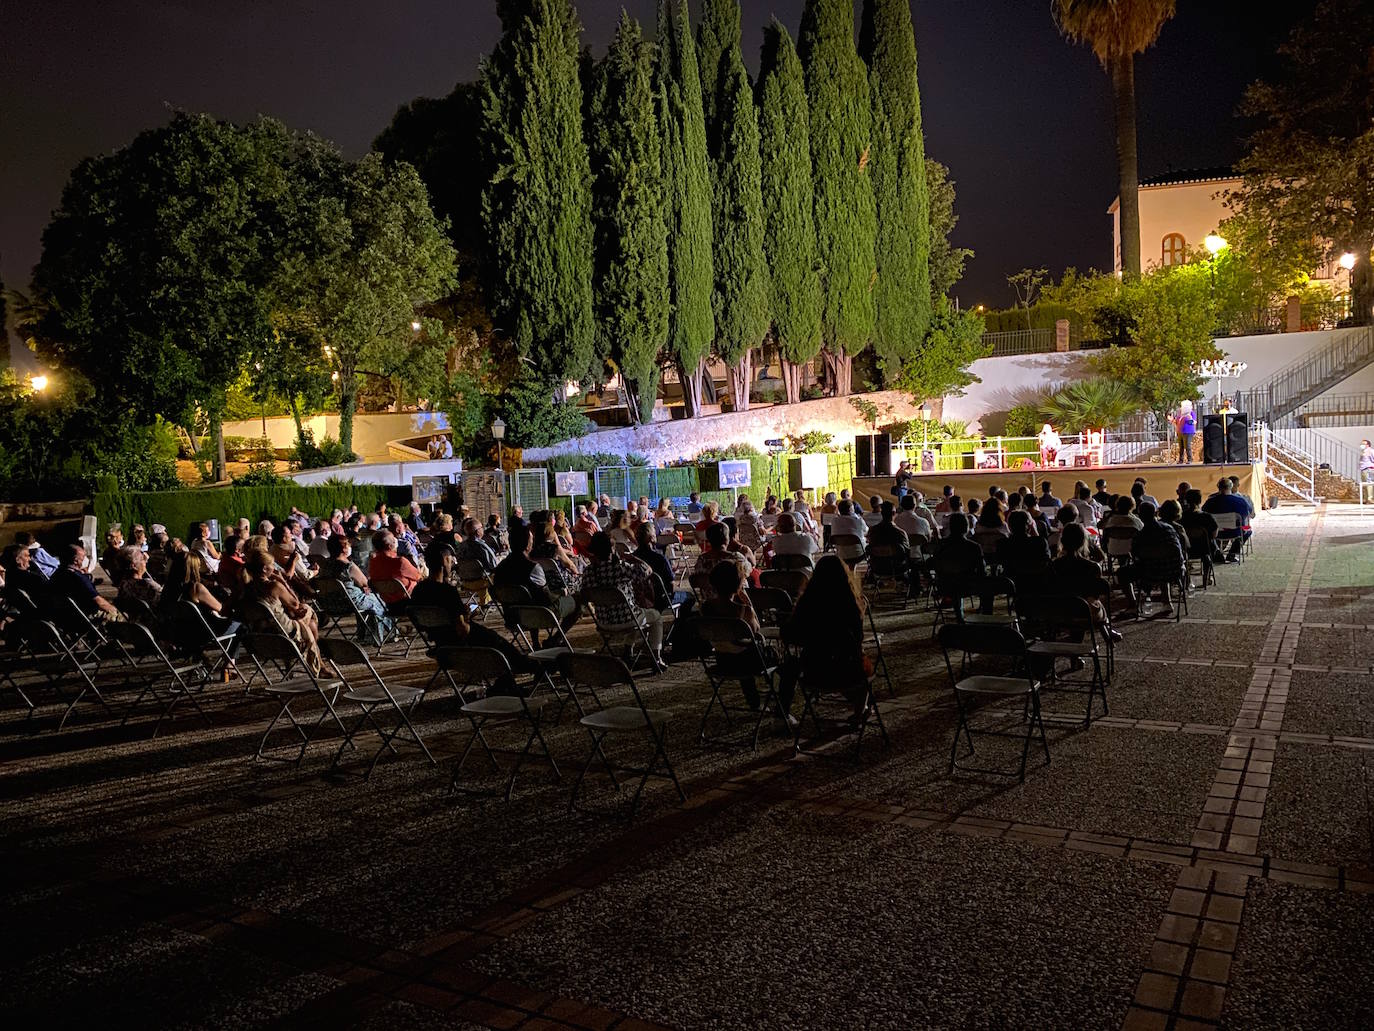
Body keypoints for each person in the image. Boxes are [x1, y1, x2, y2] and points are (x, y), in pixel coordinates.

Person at [777, 555, 872, 722]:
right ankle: (860, 711)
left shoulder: (807, 604)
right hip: (846, 671)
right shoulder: (851, 605)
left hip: (813, 670)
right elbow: (858, 639)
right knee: (864, 663)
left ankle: (783, 711)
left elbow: (789, 634)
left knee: (790, 663)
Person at [700, 558, 792, 722]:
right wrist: (747, 602)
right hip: (748, 663)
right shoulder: (744, 610)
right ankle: (781, 706)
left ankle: (754, 701)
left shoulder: (706, 607)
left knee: (741, 647)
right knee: (785, 660)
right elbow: (756, 631)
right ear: (738, 583)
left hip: (723, 660)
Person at [579, 531, 666, 670]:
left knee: (633, 611)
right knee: (655, 617)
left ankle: (628, 651)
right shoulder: (620, 567)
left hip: (604, 622)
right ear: (612, 549)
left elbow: (584, 593)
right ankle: (656, 657)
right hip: (627, 619)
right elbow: (647, 571)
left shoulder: (589, 571)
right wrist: (634, 559)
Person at [243, 548, 321, 671]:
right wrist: (282, 581)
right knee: (307, 612)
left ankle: (305, 663)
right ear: (264, 568)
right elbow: (296, 604)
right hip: (284, 638)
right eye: (272, 565)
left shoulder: (245, 589)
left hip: (258, 639)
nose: (274, 568)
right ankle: (318, 662)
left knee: (301, 617)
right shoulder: (274, 586)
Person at [494, 522, 580, 629]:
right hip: (542, 615)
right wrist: (561, 593)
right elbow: (546, 598)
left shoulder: (500, 568)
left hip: (513, 618)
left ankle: (535, 642)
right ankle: (556, 639)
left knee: (530, 599)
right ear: (527, 544)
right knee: (577, 601)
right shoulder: (532, 568)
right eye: (531, 539)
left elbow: (494, 593)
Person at [1050, 524, 1122, 642]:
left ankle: (1076, 653)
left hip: (1059, 611)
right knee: (1091, 605)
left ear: (1062, 541)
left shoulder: (1053, 566)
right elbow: (1095, 595)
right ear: (1083, 541)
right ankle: (1107, 632)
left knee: (1078, 604)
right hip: (1085, 611)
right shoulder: (1092, 567)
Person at [319, 534, 394, 644]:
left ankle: (364, 634)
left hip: (330, 604)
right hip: (350, 603)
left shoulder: (324, 566)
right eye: (348, 544)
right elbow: (365, 583)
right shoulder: (348, 566)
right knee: (380, 599)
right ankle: (390, 631)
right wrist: (364, 588)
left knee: (368, 598)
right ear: (344, 549)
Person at [1123, 502, 1186, 616]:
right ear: (1156, 513)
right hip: (1173, 571)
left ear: (1140, 516)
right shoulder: (1169, 528)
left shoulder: (1140, 535)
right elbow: (1177, 550)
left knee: (1123, 573)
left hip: (1149, 572)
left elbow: (1135, 555)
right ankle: (1167, 602)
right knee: (1161, 563)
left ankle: (1133, 606)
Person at [931, 513, 986, 619]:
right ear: (966, 527)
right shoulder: (974, 547)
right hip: (969, 586)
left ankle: (960, 616)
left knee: (955, 581)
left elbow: (936, 566)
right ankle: (985, 617)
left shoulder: (940, 546)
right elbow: (981, 571)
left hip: (944, 585)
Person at [49, 543, 121, 622]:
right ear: (76, 561)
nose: (85, 560)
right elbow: (99, 602)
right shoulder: (78, 578)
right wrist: (115, 611)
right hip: (85, 615)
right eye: (83, 558)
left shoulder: (57, 574)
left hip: (63, 614)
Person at [1202, 477, 1251, 562]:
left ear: (1218, 487)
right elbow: (1248, 513)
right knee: (1248, 530)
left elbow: (1204, 514)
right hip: (1235, 532)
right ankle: (1232, 553)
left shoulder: (1210, 501)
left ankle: (1216, 552)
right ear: (1231, 487)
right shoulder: (1240, 501)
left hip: (1215, 533)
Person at [368, 532, 422, 606]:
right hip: (409, 603)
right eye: (394, 540)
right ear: (390, 546)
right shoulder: (400, 562)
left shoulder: (373, 563)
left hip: (389, 605)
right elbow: (418, 576)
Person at [997, 510, 1050, 582]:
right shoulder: (1040, 542)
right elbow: (1046, 564)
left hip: (1012, 584)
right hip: (1037, 583)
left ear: (1009, 526)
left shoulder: (1002, 544)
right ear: (1029, 525)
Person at [1, 543, 51, 609]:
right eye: (27, 556)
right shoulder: (32, 579)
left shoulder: (8, 576)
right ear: (18, 560)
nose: (30, 559)